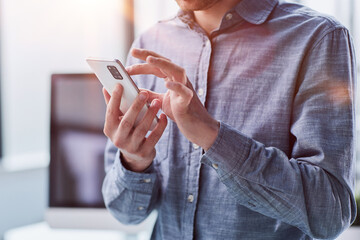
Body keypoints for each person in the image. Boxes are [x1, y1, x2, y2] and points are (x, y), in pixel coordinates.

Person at [102, 0, 357, 239]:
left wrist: (210, 134)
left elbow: (331, 214)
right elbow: (125, 212)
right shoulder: (151, 42)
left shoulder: (318, 37)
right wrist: (135, 162)